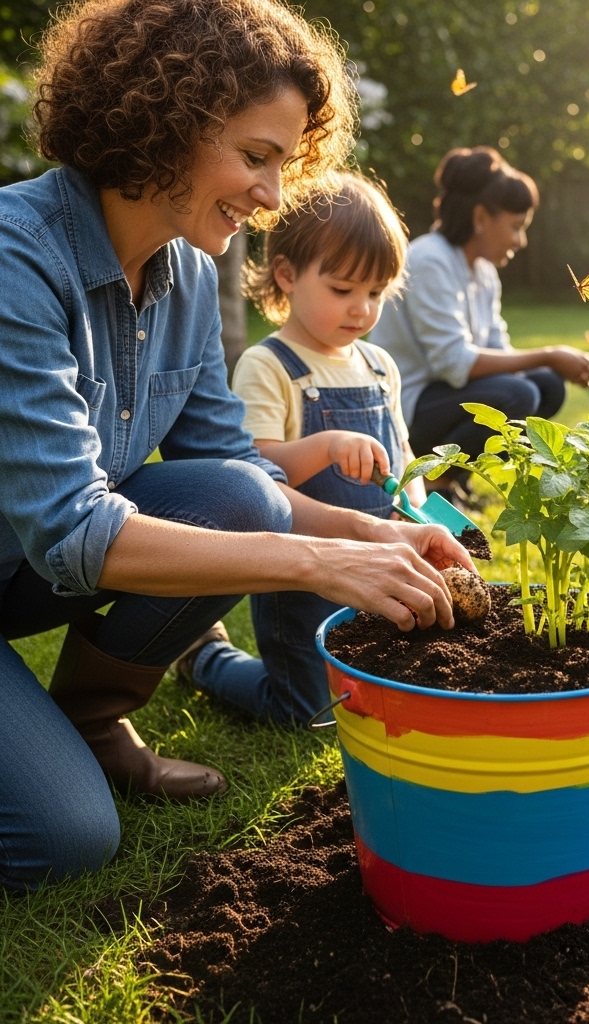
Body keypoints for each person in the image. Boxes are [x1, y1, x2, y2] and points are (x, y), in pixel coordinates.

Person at [0, 0, 470, 892]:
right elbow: (74, 529)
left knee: (238, 493)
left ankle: (92, 724)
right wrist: (315, 563)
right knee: (60, 840)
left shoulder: (184, 267)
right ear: (160, 122)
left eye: (284, 165)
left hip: (19, 572)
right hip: (44, 550)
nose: (272, 198)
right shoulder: (15, 258)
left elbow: (240, 468)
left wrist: (375, 536)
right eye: (254, 158)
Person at [180, 173, 426, 724]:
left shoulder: (379, 365)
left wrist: (415, 505)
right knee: (309, 707)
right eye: (343, 289)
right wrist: (327, 445)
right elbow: (257, 468)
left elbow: (404, 453)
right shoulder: (270, 366)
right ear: (287, 275)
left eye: (376, 293)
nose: (361, 309)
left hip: (380, 554)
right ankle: (206, 657)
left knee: (387, 679)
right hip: (303, 569)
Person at [369, 146, 589, 493]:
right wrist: (548, 353)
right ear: (480, 218)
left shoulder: (483, 272)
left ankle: (453, 480)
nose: (521, 241)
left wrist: (563, 364)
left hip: (444, 394)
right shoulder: (429, 259)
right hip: (408, 405)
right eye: (515, 227)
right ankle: (435, 483)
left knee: (548, 385)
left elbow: (498, 350)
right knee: (518, 395)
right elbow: (454, 363)